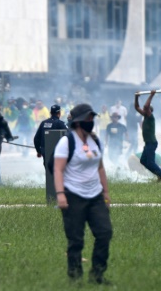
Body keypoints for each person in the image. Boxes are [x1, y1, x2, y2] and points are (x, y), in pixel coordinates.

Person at [53, 103, 113, 285]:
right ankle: (75, 278)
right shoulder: (67, 142)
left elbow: (100, 167)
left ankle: (97, 275)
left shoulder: (95, 140)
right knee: (76, 240)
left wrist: (106, 192)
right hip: (73, 195)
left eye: (92, 118)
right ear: (79, 121)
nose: (91, 121)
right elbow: (58, 170)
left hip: (95, 196)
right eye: (88, 118)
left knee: (105, 233)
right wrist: (60, 194)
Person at [134, 90, 161, 182]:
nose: (144, 110)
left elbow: (146, 106)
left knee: (150, 162)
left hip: (151, 143)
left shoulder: (150, 117)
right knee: (143, 161)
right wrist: (136, 97)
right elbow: (137, 107)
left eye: (146, 109)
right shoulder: (145, 116)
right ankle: (159, 175)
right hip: (148, 144)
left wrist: (151, 95)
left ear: (150, 111)